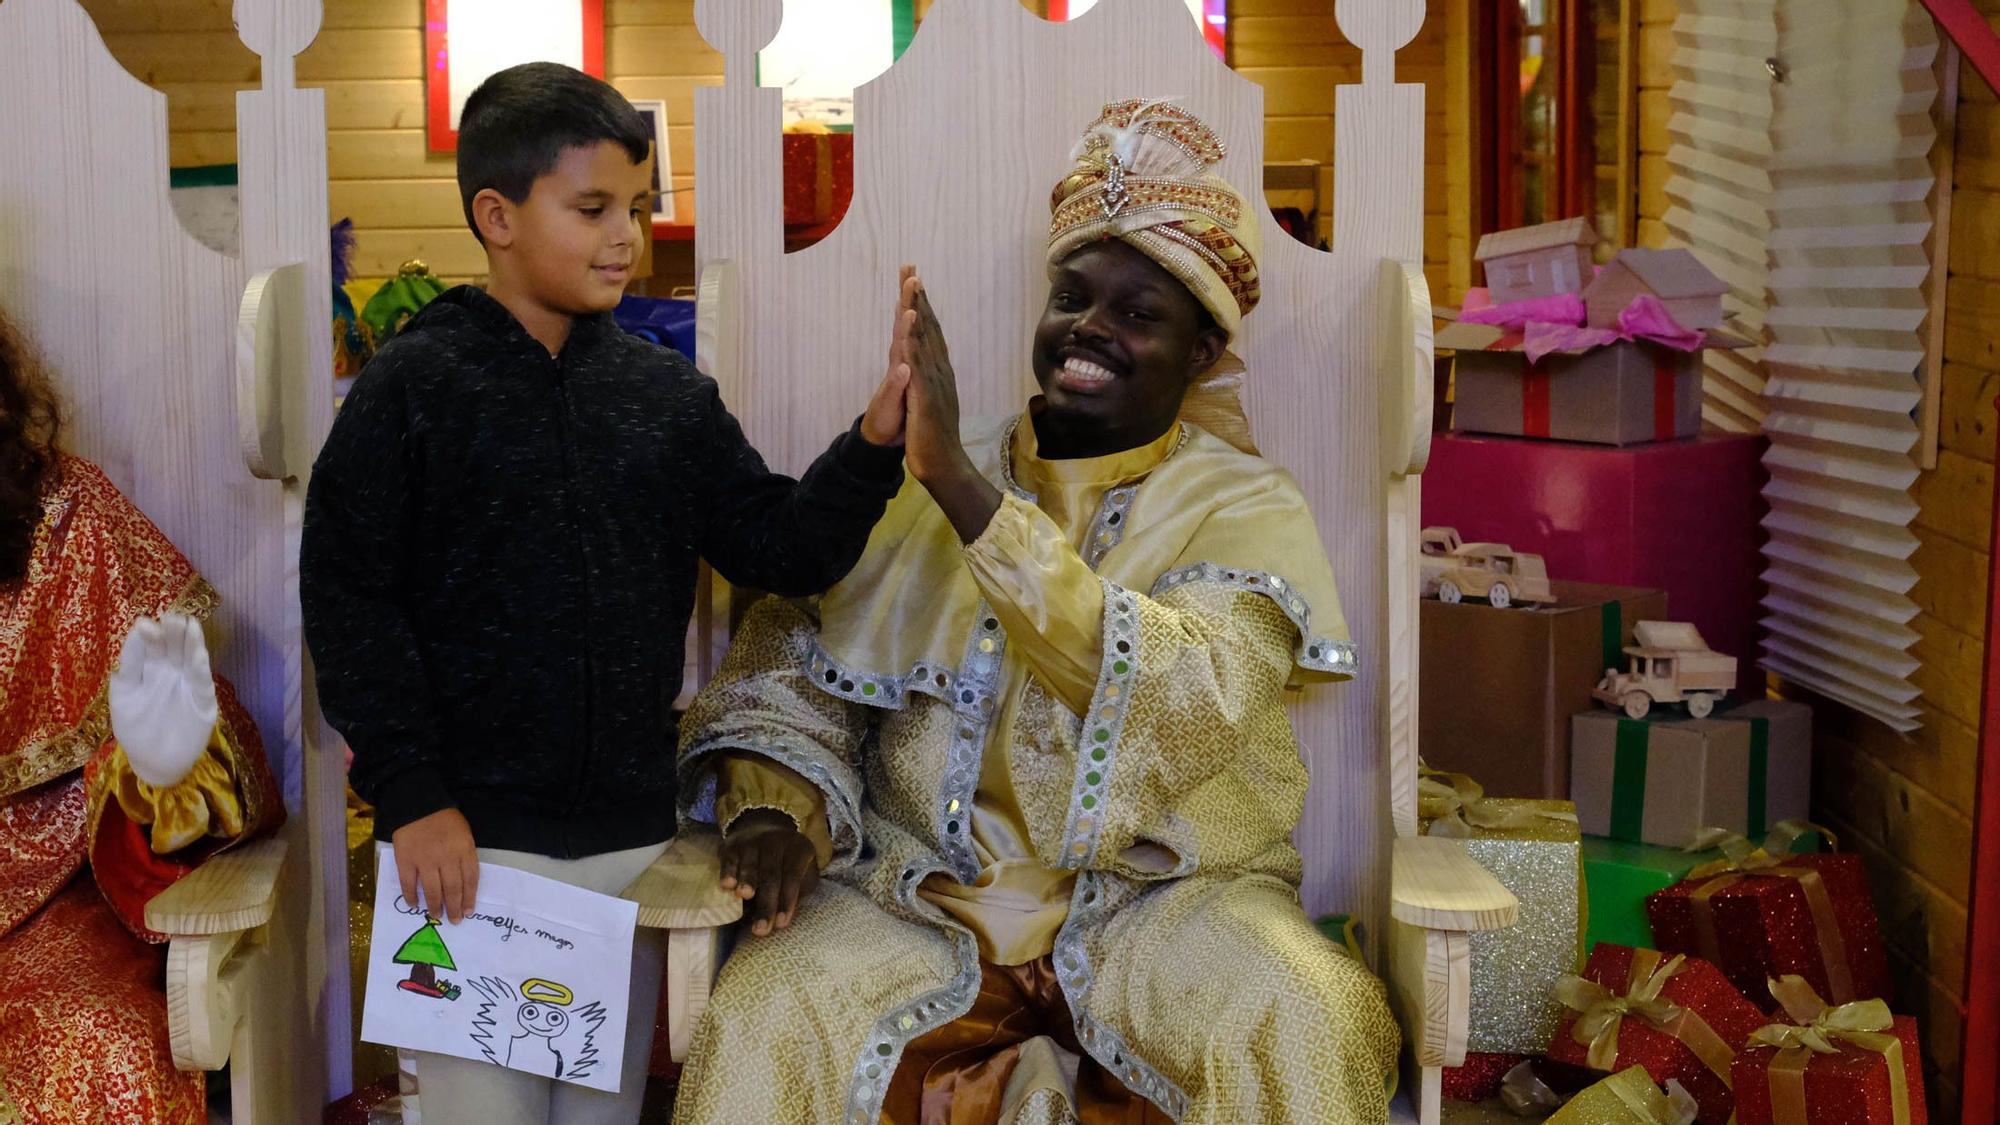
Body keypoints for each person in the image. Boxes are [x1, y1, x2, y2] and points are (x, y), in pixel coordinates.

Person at [674, 99, 1399, 1124]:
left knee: (1306, 1008)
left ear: (1198, 355)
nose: (1089, 329)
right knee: (766, 1012)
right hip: (916, 897)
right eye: (1071, 296)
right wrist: (773, 806)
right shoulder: (932, 467)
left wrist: (966, 498)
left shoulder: (1241, 501)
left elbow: (1184, 701)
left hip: (1165, 908)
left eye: (1139, 314)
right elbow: (791, 658)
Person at [300, 62, 909, 1123]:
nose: (624, 235)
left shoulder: (662, 395)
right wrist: (414, 796)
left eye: (635, 207)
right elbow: (350, 596)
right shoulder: (415, 386)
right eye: (591, 209)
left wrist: (873, 442)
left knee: (604, 1112)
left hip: (631, 846)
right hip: (465, 853)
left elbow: (780, 545)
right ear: (496, 216)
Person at [0, 310, 285, 1122]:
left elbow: (194, 726)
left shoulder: (63, 518)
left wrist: (168, 767)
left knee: (96, 1044)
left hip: (51, 902)